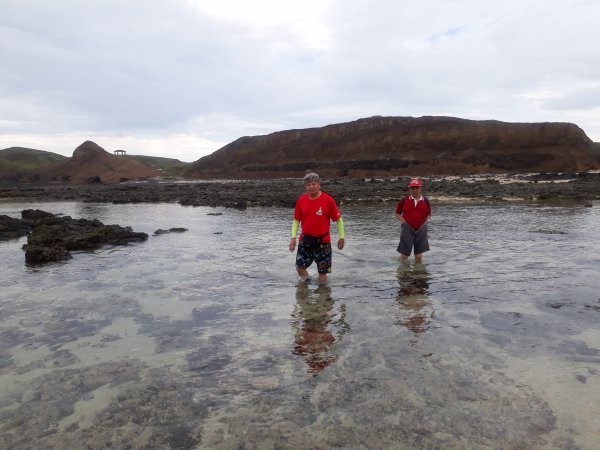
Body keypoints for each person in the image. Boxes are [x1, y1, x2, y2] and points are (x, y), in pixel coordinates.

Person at [289, 173, 345, 282]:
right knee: (300, 268)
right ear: (305, 187)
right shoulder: (301, 200)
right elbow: (296, 220)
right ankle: (307, 287)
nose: (311, 187)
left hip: (323, 243)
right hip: (305, 241)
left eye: (313, 184)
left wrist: (342, 237)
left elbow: (338, 220)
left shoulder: (328, 200)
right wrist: (293, 238)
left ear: (319, 185)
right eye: (308, 185)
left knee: (322, 276)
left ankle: (322, 295)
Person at [395, 178, 431, 263]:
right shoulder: (404, 200)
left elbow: (429, 213)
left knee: (418, 257)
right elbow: (397, 213)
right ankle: (403, 273)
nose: (415, 190)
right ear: (409, 189)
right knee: (404, 256)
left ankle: (418, 274)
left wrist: (426, 222)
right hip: (407, 229)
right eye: (412, 188)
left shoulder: (425, 200)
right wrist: (402, 220)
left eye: (417, 188)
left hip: (421, 229)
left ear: (420, 188)